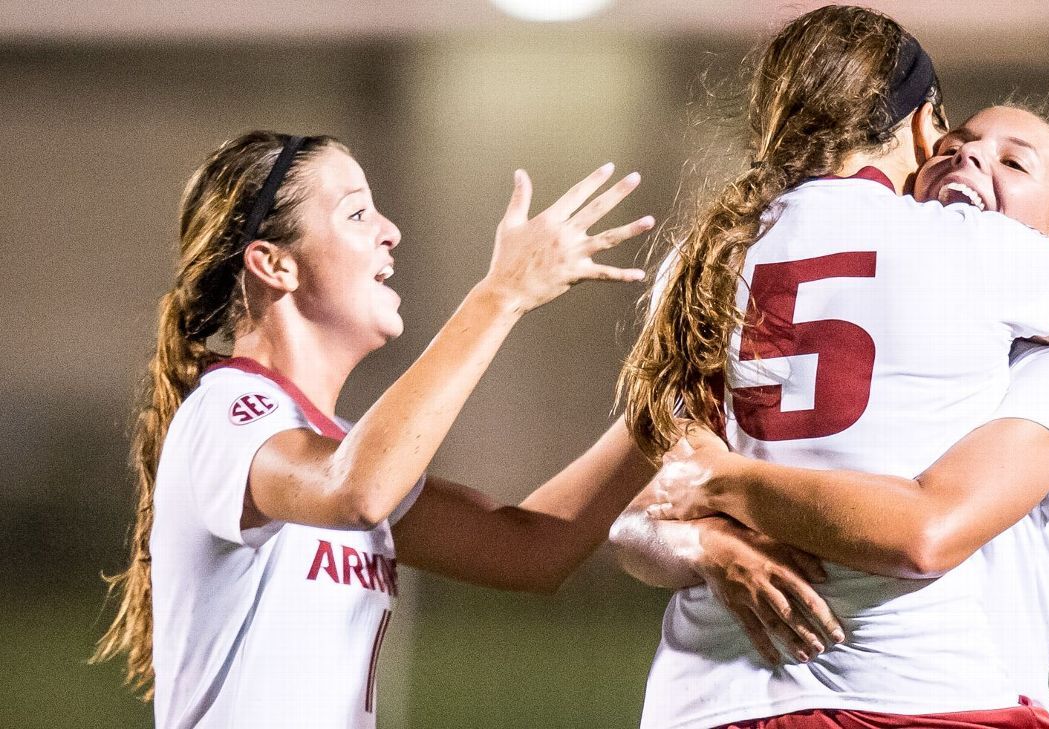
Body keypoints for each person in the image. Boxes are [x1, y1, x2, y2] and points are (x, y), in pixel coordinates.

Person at [612, 6, 1049, 729]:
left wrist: (719, 494)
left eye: (1014, 162)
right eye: (959, 139)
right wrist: (706, 537)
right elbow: (637, 521)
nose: (969, 158)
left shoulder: (716, 260)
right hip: (918, 696)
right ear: (917, 135)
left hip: (709, 702)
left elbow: (661, 496)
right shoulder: (964, 262)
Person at [91, 131, 660, 728]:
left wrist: (670, 391)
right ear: (275, 264)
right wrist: (500, 294)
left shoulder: (335, 445)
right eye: (356, 212)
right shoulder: (225, 413)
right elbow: (356, 491)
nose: (389, 230)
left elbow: (530, 550)